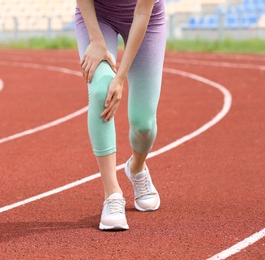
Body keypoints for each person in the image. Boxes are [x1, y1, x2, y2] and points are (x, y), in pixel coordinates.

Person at [74, 0, 166, 230]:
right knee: (100, 91)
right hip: (98, 15)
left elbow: (142, 11)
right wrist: (96, 41)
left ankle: (136, 167)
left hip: (147, 17)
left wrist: (121, 77)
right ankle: (112, 193)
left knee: (143, 123)